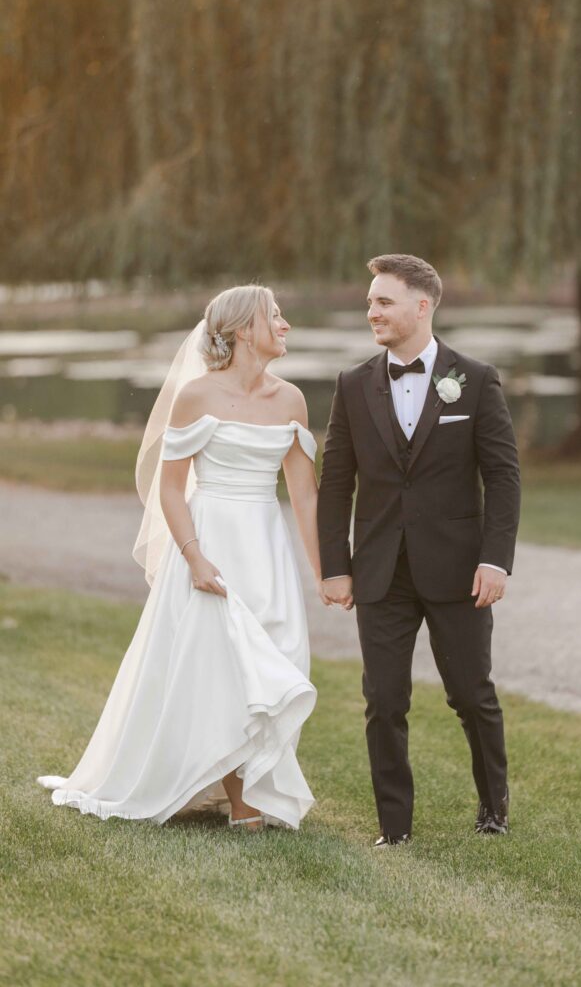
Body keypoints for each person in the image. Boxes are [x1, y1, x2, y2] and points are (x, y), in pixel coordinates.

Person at [38, 284, 322, 832]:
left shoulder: (292, 400)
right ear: (244, 331)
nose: (285, 325)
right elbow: (171, 488)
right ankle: (244, 806)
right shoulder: (196, 396)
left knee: (277, 657)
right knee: (223, 667)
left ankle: (250, 784)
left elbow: (304, 495)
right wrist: (193, 557)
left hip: (265, 543)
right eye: (276, 316)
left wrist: (324, 571)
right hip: (210, 540)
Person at [318, 254, 521, 846]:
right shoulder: (353, 385)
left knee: (471, 695)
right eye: (370, 302)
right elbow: (336, 482)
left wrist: (495, 558)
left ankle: (493, 810)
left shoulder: (476, 379)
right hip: (380, 572)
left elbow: (503, 476)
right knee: (383, 701)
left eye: (383, 301)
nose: (371, 311)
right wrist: (335, 565)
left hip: (460, 571)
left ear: (421, 306)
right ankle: (394, 828)